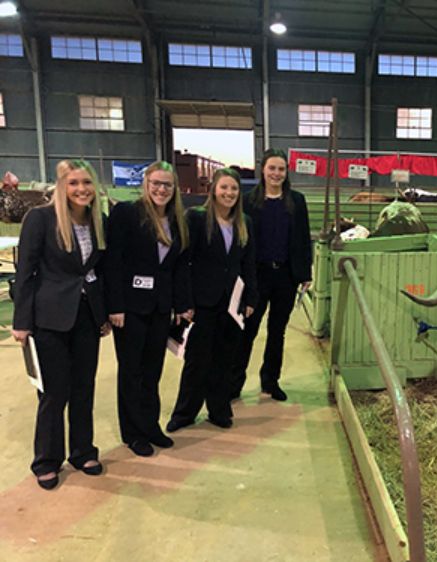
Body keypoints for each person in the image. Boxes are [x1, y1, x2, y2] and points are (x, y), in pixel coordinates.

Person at [11, 159, 109, 490]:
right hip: (49, 318)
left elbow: (99, 272)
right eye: (74, 183)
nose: (82, 189)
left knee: (84, 387)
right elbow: (24, 273)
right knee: (54, 393)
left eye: (87, 182)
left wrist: (104, 312)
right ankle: (47, 461)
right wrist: (21, 322)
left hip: (87, 317)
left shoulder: (99, 221)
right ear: (62, 186)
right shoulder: (40, 219)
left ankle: (83, 452)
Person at [104, 161, 192, 457]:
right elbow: (113, 262)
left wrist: (181, 305)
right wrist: (114, 306)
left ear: (174, 189)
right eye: (156, 183)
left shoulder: (177, 219)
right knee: (131, 371)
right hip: (129, 307)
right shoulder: (126, 214)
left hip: (159, 308)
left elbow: (178, 267)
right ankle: (133, 433)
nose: (161, 189)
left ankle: (150, 425)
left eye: (167, 184)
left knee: (152, 370)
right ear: (146, 183)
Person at [166, 168, 258, 432]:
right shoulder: (196, 219)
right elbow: (183, 262)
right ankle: (184, 413)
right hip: (202, 301)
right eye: (224, 188)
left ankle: (218, 409)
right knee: (197, 360)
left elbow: (248, 264)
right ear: (213, 190)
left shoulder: (245, 223)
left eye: (234, 189)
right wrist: (184, 302)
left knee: (224, 359)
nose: (229, 193)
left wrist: (251, 297)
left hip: (232, 303)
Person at [229, 149, 312, 402]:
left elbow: (303, 237)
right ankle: (234, 383)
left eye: (281, 169)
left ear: (286, 173)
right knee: (247, 331)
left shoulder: (296, 201)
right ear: (263, 170)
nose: (276, 173)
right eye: (272, 168)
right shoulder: (248, 201)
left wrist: (305, 272)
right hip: (256, 276)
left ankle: (270, 381)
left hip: (285, 276)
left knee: (278, 332)